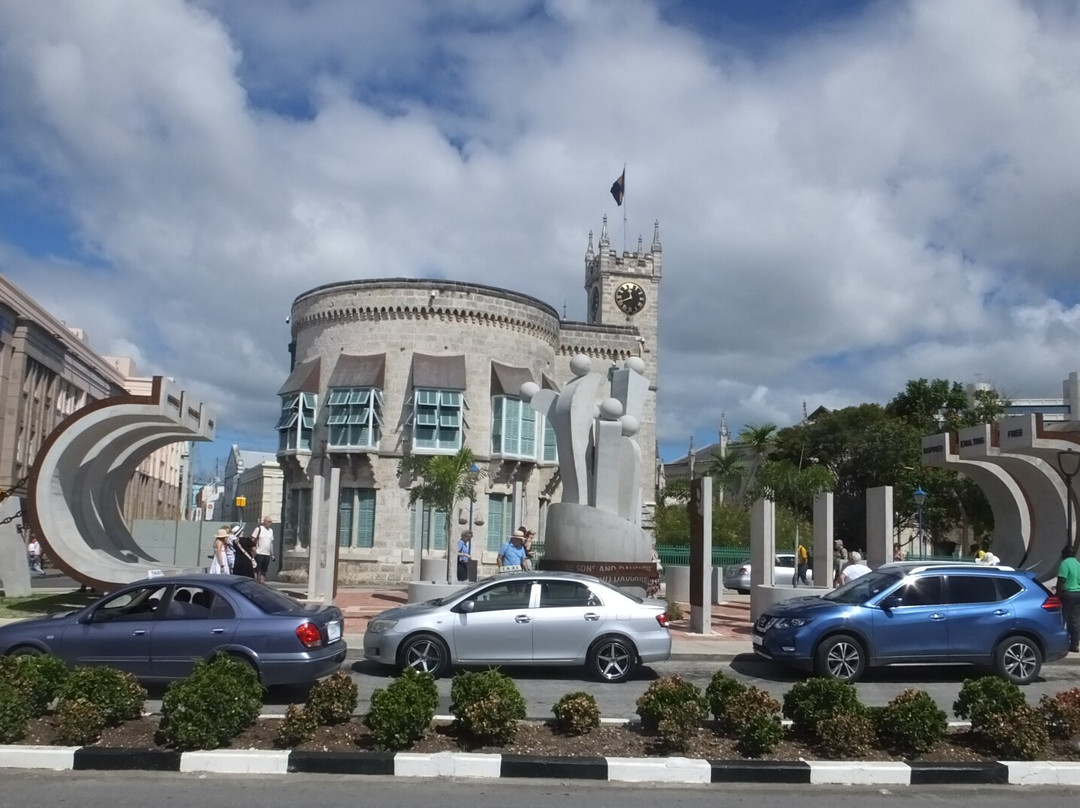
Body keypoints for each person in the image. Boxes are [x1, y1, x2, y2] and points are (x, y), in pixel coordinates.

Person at [1057, 546, 1080, 653]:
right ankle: (1074, 644)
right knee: (1074, 620)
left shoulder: (1065, 563)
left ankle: (1060, 644)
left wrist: (1057, 595)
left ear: (1066, 553)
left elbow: (1062, 580)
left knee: (1062, 619)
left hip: (1068, 594)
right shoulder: (1078, 564)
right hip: (1078, 594)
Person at [252, 516, 276, 583]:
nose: (270, 523)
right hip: (259, 553)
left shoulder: (271, 531)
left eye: (271, 522)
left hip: (267, 554)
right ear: (264, 522)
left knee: (264, 570)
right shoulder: (259, 529)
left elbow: (271, 543)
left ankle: (262, 583)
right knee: (257, 570)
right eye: (269, 521)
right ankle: (255, 582)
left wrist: (272, 554)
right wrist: (254, 550)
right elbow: (252, 540)